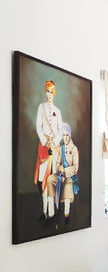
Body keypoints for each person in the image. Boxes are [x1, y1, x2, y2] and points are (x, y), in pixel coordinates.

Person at [34, 80, 63, 220]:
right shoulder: (41, 107)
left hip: (54, 150)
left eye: (51, 91)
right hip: (44, 148)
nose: (49, 94)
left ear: (54, 94)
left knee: (52, 180)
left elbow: (61, 131)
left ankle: (51, 212)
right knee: (42, 180)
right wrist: (46, 142)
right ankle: (44, 210)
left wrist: (54, 142)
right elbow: (38, 127)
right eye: (47, 91)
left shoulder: (57, 111)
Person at [46, 123, 79, 226]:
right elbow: (58, 163)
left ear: (69, 136)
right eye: (63, 135)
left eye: (66, 135)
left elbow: (75, 168)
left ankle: (66, 216)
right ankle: (51, 214)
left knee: (68, 186)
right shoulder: (61, 149)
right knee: (50, 179)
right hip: (60, 175)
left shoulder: (74, 149)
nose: (64, 138)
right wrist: (59, 168)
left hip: (69, 177)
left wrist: (65, 171)